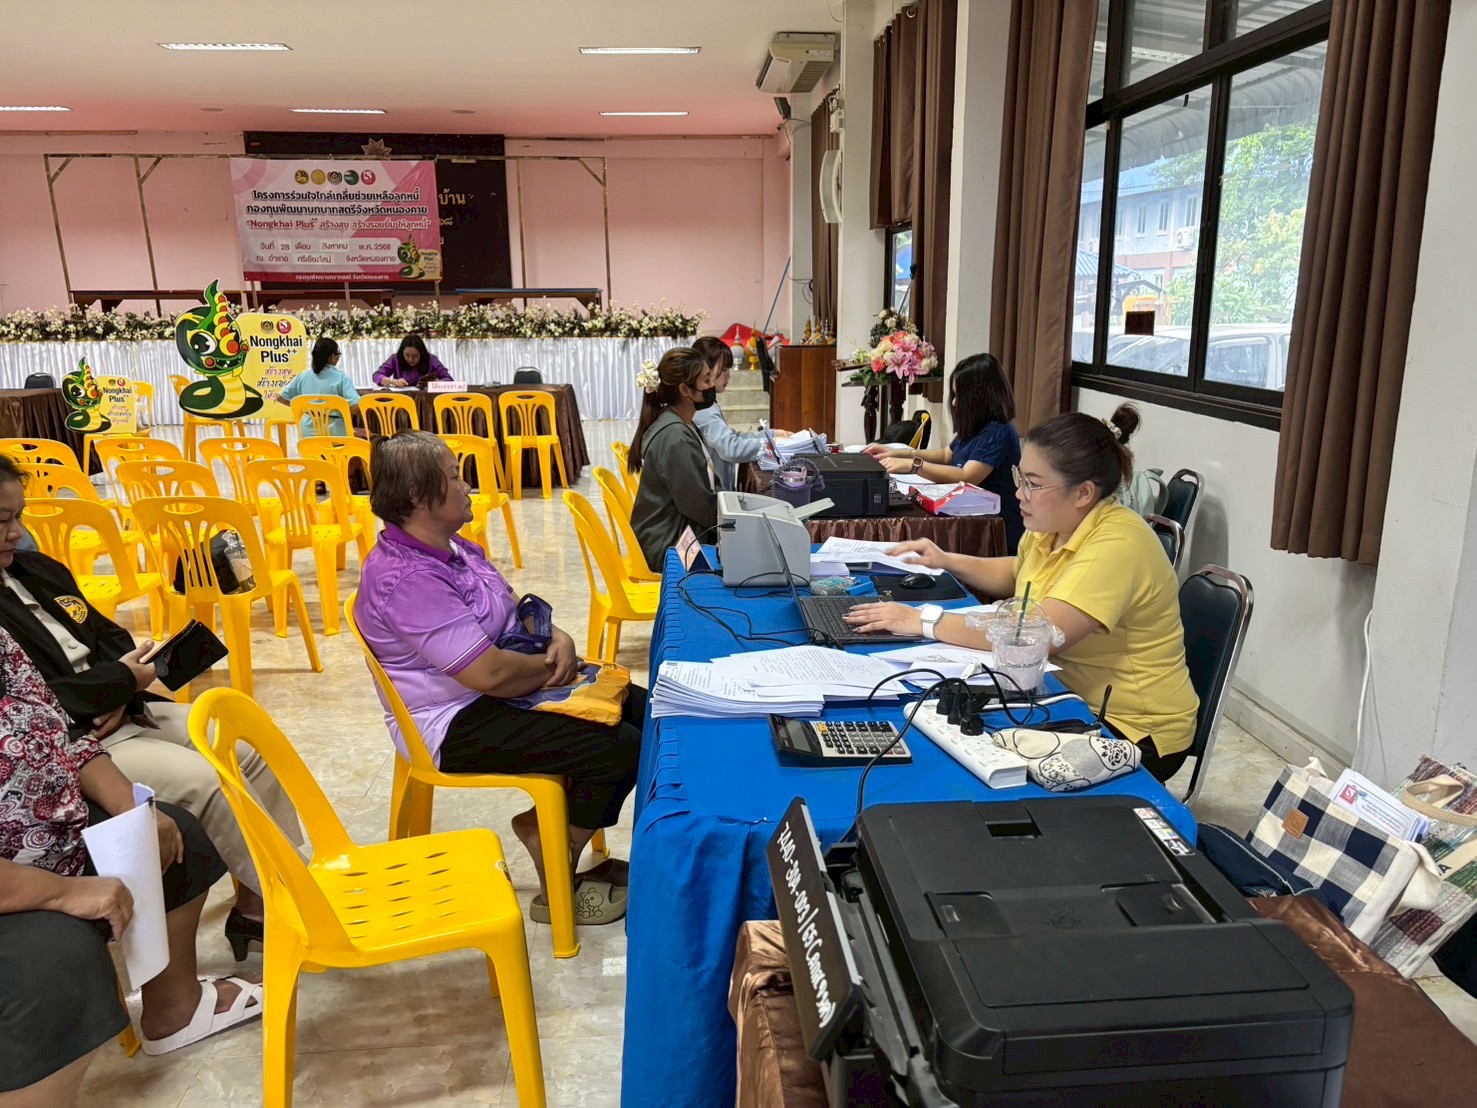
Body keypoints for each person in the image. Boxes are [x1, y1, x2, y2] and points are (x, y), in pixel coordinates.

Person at [0, 455, 304, 959]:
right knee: (205, 781)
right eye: (2, 521)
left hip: (121, 711)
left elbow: (110, 634)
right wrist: (116, 681)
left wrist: (117, 685)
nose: (16, 532)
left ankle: (261, 897)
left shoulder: (39, 570)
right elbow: (40, 701)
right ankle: (288, 904)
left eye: (19, 517)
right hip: (76, 744)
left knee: (242, 742)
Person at [354, 431, 642, 926]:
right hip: (453, 719)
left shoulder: (454, 547)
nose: (468, 486)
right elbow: (488, 673)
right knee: (618, 743)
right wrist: (558, 669)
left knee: (645, 712)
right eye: (454, 477)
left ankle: (559, 827)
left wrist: (561, 640)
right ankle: (555, 857)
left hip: (497, 690)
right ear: (420, 498)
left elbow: (513, 614)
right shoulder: (406, 578)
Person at [843, 404, 1198, 782]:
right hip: (1061, 692)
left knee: (964, 762)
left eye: (1033, 483)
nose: (1019, 493)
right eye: (1020, 478)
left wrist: (924, 621)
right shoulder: (1056, 522)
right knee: (937, 722)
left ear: (1083, 493)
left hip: (1130, 726)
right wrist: (944, 558)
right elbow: (1018, 572)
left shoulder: (1118, 543)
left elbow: (1039, 636)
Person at [0, 625, 262, 1102]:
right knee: (58, 963)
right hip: (13, 876)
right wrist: (62, 892)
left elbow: (60, 730)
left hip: (46, 828)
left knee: (173, 835)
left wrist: (131, 810)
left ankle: (176, 1009)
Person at [863, 353, 1026, 552]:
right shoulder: (977, 426)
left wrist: (914, 466)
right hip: (969, 515)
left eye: (960, 396)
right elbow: (946, 455)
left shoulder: (997, 431)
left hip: (993, 527)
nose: (955, 403)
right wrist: (898, 453)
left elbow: (967, 476)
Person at [628, 347, 720, 568]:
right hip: (669, 545)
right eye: (706, 380)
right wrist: (740, 522)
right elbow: (699, 507)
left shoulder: (677, 422)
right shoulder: (675, 437)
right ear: (685, 390)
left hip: (671, 533)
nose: (711, 386)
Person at [689, 336, 791, 491]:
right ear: (705, 370)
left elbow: (731, 436)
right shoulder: (703, 409)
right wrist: (772, 444)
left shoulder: (707, 404)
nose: (728, 376)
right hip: (714, 493)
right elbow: (731, 448)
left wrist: (770, 435)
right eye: (723, 370)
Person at [280, 336, 362, 439]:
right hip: (337, 435)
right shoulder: (341, 378)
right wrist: (346, 413)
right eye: (338, 355)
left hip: (307, 436)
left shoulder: (302, 377)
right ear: (332, 357)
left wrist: (302, 409)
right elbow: (356, 406)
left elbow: (280, 397)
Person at [374, 333, 450, 388]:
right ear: (402, 352)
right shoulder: (396, 358)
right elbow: (376, 376)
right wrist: (393, 381)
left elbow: (448, 379)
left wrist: (436, 384)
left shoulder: (431, 359)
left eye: (415, 356)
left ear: (422, 353)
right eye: (407, 355)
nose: (410, 359)